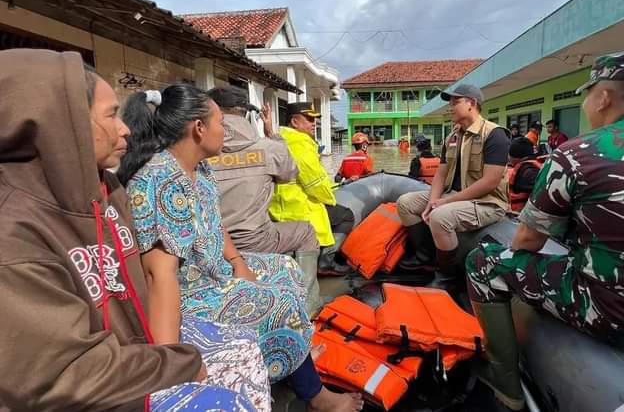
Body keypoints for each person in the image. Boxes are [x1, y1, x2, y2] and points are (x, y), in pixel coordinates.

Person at [0, 49, 270, 411]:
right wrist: (175, 362)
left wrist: (236, 262)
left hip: (130, 352)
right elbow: (63, 374)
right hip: (97, 385)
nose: (125, 127)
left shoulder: (107, 191)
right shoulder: (14, 234)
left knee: (244, 347)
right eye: (111, 115)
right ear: (63, 124)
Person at [466, 50, 624, 411]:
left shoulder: (577, 153)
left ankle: (505, 385)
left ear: (603, 96)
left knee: (484, 262)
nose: (585, 104)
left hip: (620, 318)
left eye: (587, 94)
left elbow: (526, 241)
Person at [118, 86, 362, 412]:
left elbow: (216, 223)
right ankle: (316, 395)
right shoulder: (159, 181)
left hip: (216, 271)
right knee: (281, 302)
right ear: (199, 128)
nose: (226, 130)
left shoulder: (201, 168)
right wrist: (171, 362)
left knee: (284, 268)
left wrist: (238, 263)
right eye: (221, 122)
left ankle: (293, 354)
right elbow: (159, 278)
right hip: (192, 294)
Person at [207, 87, 322, 315]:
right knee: (306, 231)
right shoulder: (268, 149)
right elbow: (289, 173)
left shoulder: (199, 153)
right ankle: (308, 305)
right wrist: (272, 135)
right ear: (246, 115)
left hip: (214, 243)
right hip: (256, 240)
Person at [396, 83, 510, 280]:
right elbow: (441, 174)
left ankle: (447, 274)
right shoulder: (452, 137)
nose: (450, 107)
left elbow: (490, 182)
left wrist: (445, 202)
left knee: (440, 217)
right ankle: (425, 257)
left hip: (487, 202)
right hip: (453, 195)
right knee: (405, 203)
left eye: (455, 102)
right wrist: (432, 201)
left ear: (471, 104)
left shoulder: (494, 135)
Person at [269, 102, 336, 248]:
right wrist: (331, 198)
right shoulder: (300, 143)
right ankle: (327, 259)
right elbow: (315, 182)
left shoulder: (277, 140)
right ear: (294, 122)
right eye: (309, 119)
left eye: (315, 120)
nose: (314, 123)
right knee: (345, 216)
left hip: (279, 208)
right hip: (300, 208)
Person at [506, 137, 543, 212]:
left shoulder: (528, 172)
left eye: (509, 155)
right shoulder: (532, 165)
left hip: (524, 215)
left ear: (515, 157)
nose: (508, 157)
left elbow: (543, 193)